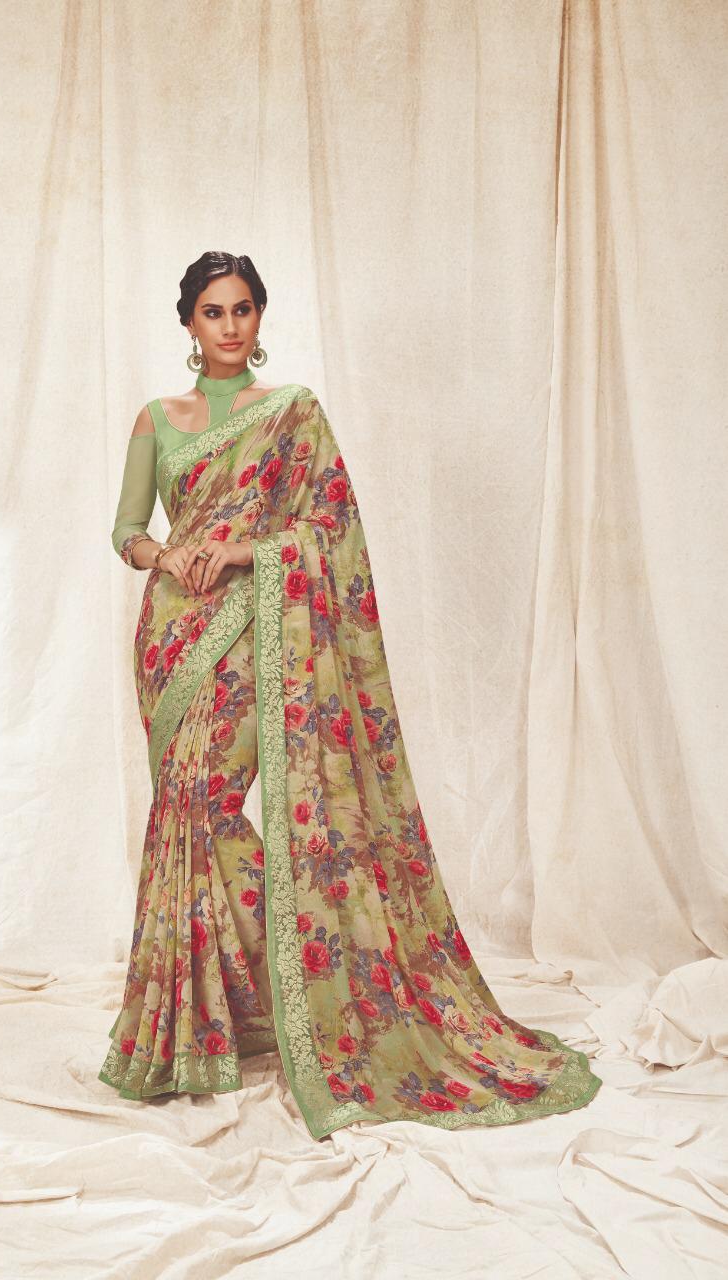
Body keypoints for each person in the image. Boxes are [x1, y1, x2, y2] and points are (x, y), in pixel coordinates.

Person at [98, 250, 602, 1140]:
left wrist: (247, 551)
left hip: (253, 628)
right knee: (185, 814)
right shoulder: (156, 420)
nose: (229, 326)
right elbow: (127, 530)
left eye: (242, 309)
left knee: (206, 809)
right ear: (187, 324)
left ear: (259, 317)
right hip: (173, 635)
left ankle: (306, 985)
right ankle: (211, 1020)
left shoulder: (292, 413)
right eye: (213, 312)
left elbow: (331, 525)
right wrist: (166, 556)